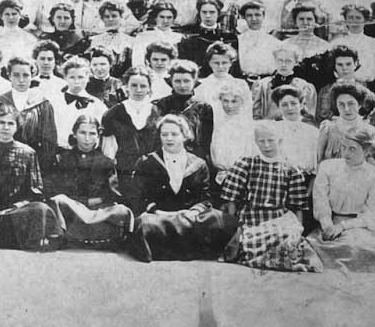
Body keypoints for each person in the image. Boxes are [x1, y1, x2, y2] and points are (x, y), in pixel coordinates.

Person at [127, 114, 233, 262]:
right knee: (143, 224)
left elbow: (206, 196)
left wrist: (194, 211)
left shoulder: (199, 163)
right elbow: (136, 195)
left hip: (189, 217)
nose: (169, 138)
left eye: (174, 134)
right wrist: (154, 210)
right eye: (164, 134)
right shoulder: (147, 162)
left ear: (185, 135)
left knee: (221, 219)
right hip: (159, 216)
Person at [309, 128, 375, 271]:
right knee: (313, 249)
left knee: (353, 248)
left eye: (352, 149)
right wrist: (327, 225)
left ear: (367, 151)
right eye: (344, 147)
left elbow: (373, 215)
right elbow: (320, 200)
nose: (346, 153)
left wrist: (343, 227)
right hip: (330, 223)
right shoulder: (328, 167)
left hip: (363, 227)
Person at [218, 122, 316, 272]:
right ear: (255, 141)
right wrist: (231, 228)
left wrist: (299, 231)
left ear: (280, 141)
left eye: (271, 140)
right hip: (252, 215)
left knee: (287, 237)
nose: (266, 145)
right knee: (247, 240)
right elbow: (231, 197)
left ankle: (272, 255)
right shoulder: (246, 163)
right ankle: (258, 253)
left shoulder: (290, 168)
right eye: (261, 141)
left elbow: (298, 205)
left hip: (279, 216)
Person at [0, 105, 59, 251]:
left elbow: (35, 191)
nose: (5, 128)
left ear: (17, 127)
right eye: (2, 122)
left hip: (17, 211)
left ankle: (8, 236)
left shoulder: (28, 153)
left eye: (10, 123)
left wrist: (16, 207)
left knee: (40, 209)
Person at [47, 114, 134, 248]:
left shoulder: (107, 162)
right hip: (71, 208)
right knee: (58, 200)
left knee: (121, 210)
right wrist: (83, 202)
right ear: (74, 134)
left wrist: (94, 203)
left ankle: (107, 237)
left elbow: (112, 194)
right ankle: (62, 236)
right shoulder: (61, 159)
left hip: (97, 210)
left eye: (92, 133)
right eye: (82, 133)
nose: (87, 139)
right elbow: (55, 189)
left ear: (98, 136)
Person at [102, 67, 163, 205]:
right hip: (124, 174)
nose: (138, 90)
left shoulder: (159, 112)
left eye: (143, 86)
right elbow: (108, 152)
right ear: (126, 87)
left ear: (149, 88)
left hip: (153, 173)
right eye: (134, 85)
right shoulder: (113, 114)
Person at [330, 5, 375, 87]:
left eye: (358, 18)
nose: (354, 21)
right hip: (341, 87)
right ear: (345, 20)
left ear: (365, 20)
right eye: (351, 18)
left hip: (368, 89)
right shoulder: (336, 44)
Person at [272, 85, 320, 176]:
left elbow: (316, 162)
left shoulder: (313, 132)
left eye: (293, 103)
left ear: (301, 105)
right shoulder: (272, 129)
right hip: (278, 177)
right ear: (278, 107)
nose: (290, 108)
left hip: (306, 178)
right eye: (284, 105)